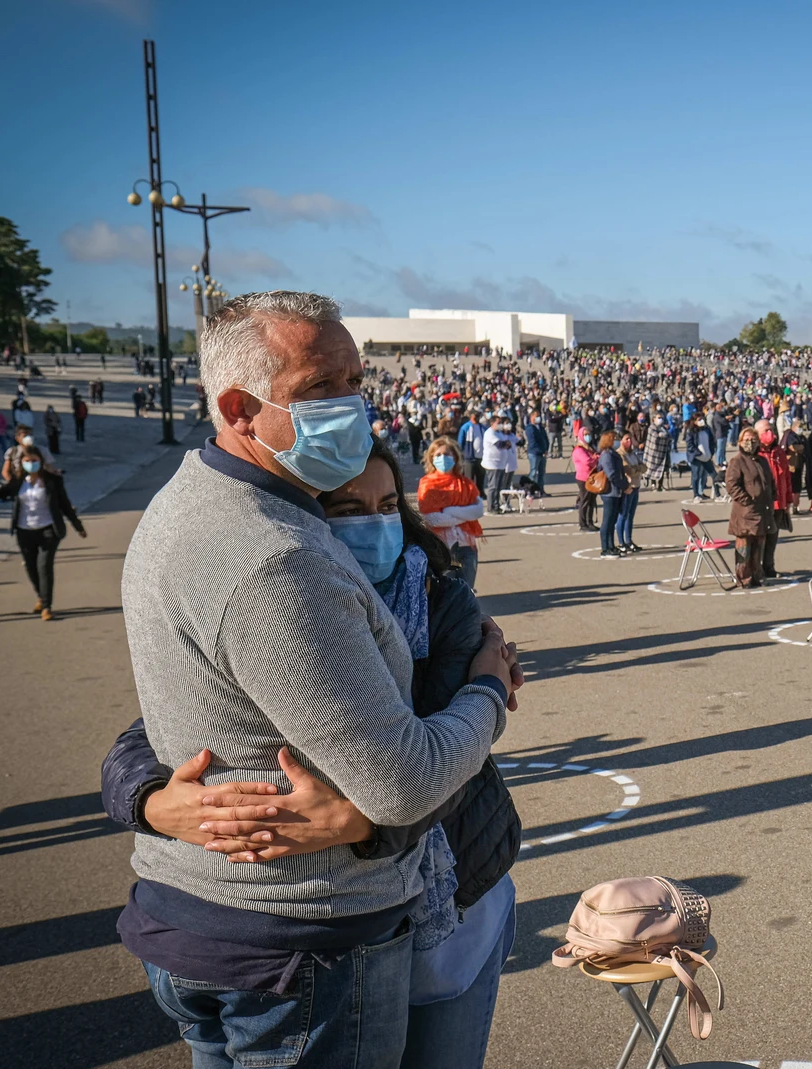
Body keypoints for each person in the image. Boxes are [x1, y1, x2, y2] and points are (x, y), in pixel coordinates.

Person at [113, 290, 518, 1067]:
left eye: (355, 381)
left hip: (218, 918)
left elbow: (205, 700)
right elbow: (404, 780)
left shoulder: (199, 501)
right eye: (319, 388)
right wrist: (488, 693)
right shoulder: (276, 556)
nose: (350, 407)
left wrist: (148, 797)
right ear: (238, 406)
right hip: (297, 938)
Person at [0, 444, 85, 620]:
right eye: (27, 461)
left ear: (41, 461)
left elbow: (65, 505)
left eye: (34, 461)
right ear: (21, 462)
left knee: (44, 567)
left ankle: (47, 606)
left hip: (48, 529)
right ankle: (40, 596)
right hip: (24, 530)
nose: (31, 464)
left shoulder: (53, 480)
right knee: (31, 567)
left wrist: (78, 526)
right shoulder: (18, 481)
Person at [419, 438, 485, 591]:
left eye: (447, 454)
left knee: (467, 590)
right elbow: (432, 518)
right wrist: (465, 514)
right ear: (431, 458)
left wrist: (449, 511)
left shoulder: (465, 483)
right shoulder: (427, 483)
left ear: (455, 457)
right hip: (442, 546)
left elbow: (478, 510)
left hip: (466, 545)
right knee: (446, 593)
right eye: (438, 454)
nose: (443, 458)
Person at [724, 425, 777, 587]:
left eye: (753, 440)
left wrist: (772, 496)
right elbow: (731, 485)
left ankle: (756, 575)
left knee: (758, 546)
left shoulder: (762, 460)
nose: (750, 443)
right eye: (746, 440)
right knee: (744, 547)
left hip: (762, 511)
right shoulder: (737, 461)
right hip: (745, 512)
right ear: (740, 442)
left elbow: (769, 481)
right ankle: (743, 578)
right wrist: (746, 499)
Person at [595, 428, 631, 556]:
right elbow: (612, 474)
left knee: (613, 520)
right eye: (614, 439)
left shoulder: (613, 453)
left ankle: (611, 545)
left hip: (616, 491)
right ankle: (605, 548)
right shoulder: (606, 455)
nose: (616, 441)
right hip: (609, 492)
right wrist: (624, 486)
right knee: (608, 520)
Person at [614, 429, 645, 554]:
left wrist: (637, 469)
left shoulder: (632, 453)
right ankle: (621, 542)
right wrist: (637, 469)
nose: (629, 441)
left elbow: (644, 466)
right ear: (621, 440)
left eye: (630, 439)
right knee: (623, 515)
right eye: (626, 439)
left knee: (631, 516)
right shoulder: (620, 454)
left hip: (636, 486)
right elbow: (628, 470)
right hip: (628, 488)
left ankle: (629, 540)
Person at [480, 414, 518, 512]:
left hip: (501, 463)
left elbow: (508, 444)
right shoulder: (490, 433)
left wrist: (506, 444)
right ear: (492, 423)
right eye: (498, 423)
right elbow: (500, 444)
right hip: (492, 463)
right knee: (493, 486)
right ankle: (491, 506)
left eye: (501, 423)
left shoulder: (499, 433)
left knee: (498, 486)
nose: (501, 425)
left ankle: (496, 505)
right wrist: (506, 444)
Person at [572, 428, 600, 531]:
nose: (587, 436)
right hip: (583, 478)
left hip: (592, 477)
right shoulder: (579, 449)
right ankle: (583, 523)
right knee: (585, 501)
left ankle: (590, 522)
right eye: (585, 434)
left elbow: (596, 456)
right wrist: (596, 458)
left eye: (588, 434)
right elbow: (587, 461)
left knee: (592, 501)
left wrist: (596, 457)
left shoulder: (589, 448)